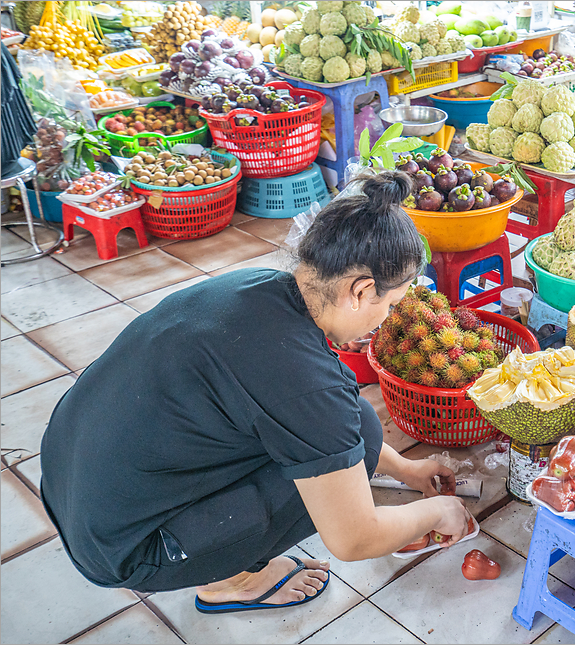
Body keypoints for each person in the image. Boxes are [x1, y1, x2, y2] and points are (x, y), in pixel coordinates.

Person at [40, 171, 473, 614]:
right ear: (360, 292)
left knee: (357, 425)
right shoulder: (304, 380)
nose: (386, 318)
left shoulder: (253, 287)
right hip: (124, 549)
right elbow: (353, 538)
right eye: (391, 303)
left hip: (70, 483)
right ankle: (236, 581)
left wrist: (405, 469)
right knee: (347, 454)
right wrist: (438, 512)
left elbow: (325, 417)